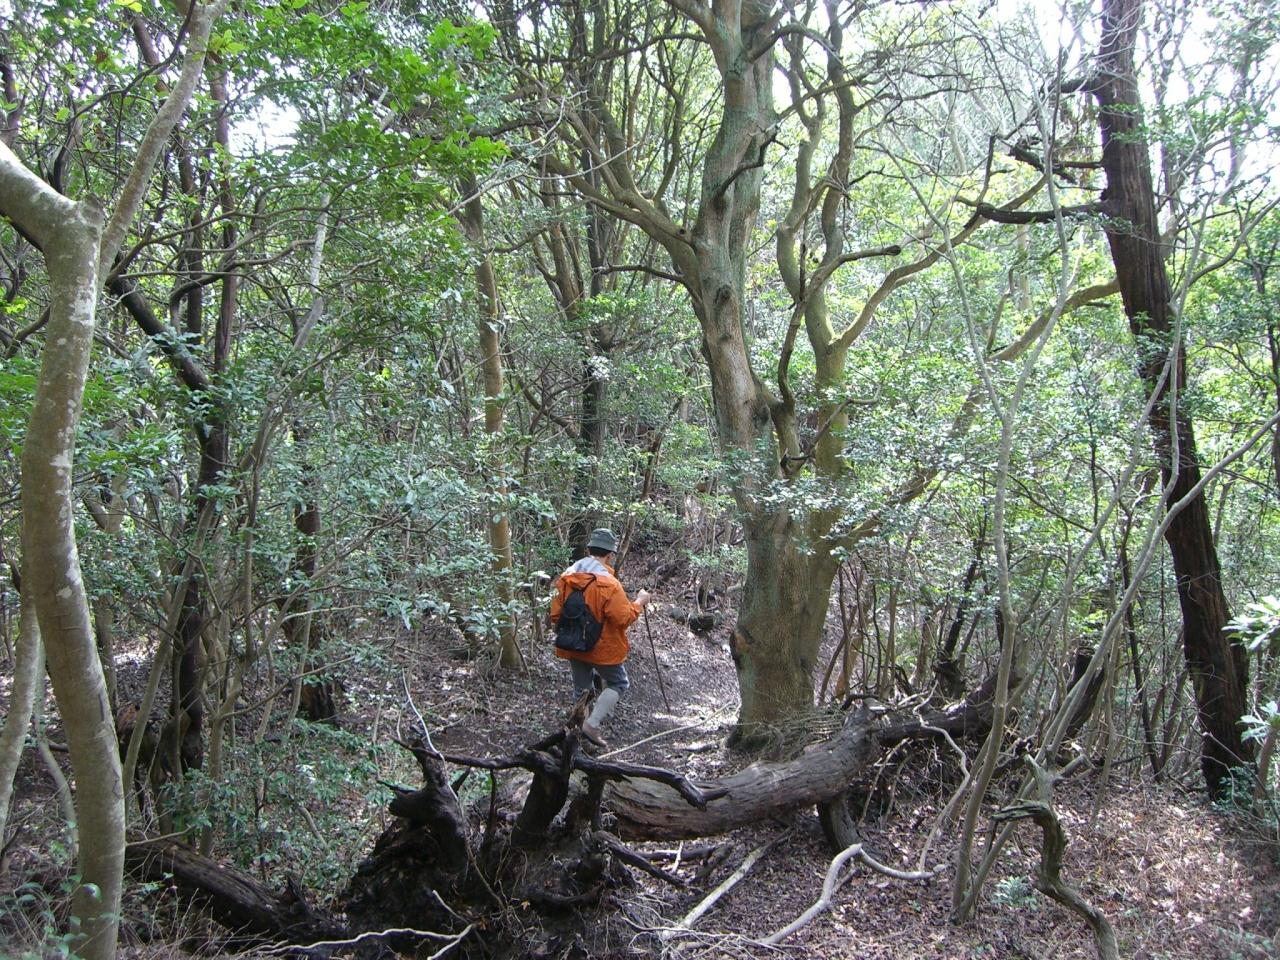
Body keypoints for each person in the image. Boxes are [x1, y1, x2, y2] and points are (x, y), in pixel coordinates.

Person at [550, 527, 651, 748]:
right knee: (619, 683)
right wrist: (639, 602)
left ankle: (577, 737)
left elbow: (556, 614)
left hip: (573, 644)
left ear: (588, 550)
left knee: (581, 690)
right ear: (610, 555)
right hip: (602, 648)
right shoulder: (609, 584)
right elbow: (623, 618)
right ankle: (592, 725)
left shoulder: (567, 578)